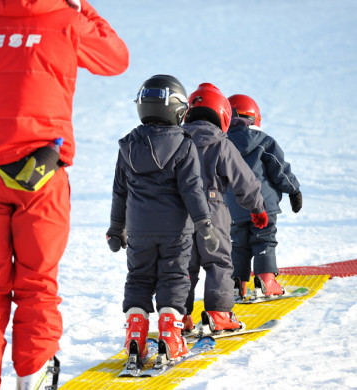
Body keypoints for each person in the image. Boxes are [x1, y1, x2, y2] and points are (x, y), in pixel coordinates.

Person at [0, 0, 129, 389]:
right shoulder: (68, 21)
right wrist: (81, 5)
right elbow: (115, 58)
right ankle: (33, 378)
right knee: (38, 282)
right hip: (41, 175)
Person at [106, 75, 220, 365]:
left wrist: (116, 228)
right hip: (175, 231)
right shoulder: (184, 145)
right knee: (173, 277)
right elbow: (192, 190)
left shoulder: (128, 146)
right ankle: (170, 337)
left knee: (139, 278)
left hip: (139, 232)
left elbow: (120, 192)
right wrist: (205, 224)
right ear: (176, 109)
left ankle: (135, 337)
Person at [181, 83, 268, 333]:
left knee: (184, 266)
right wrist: (257, 208)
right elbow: (245, 180)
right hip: (212, 207)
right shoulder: (222, 143)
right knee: (218, 261)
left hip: (182, 211)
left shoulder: (177, 141)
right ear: (222, 113)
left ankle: (180, 318)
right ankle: (219, 314)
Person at [224, 94, 302, 298]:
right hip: (263, 204)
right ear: (255, 117)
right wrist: (294, 189)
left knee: (238, 245)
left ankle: (236, 284)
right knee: (264, 239)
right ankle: (266, 281)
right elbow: (280, 170)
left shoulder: (221, 145)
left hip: (233, 208)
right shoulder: (264, 141)